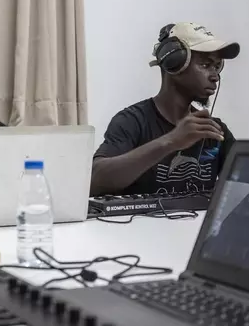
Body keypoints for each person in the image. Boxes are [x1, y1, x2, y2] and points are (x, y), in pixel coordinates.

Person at [91, 22, 239, 197]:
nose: (215, 77)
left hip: (197, 225)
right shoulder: (133, 121)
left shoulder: (215, 130)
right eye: (206, 65)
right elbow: (95, 180)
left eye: (216, 67)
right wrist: (171, 141)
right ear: (174, 63)